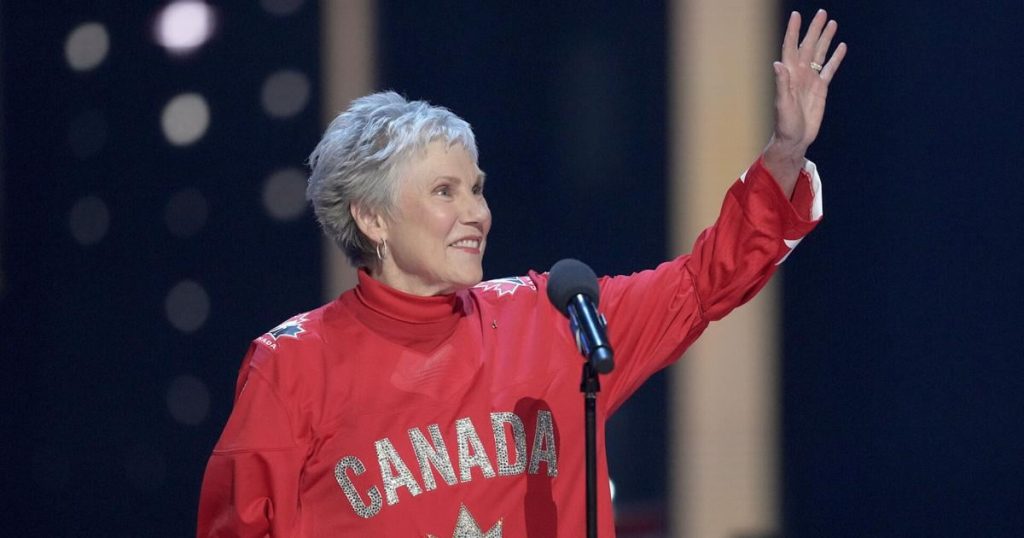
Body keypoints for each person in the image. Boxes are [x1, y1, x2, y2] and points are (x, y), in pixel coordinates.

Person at [197, 10, 846, 537]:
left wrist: (786, 151)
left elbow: (706, 281)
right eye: (445, 192)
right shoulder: (292, 366)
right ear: (372, 217)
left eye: (476, 188)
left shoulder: (556, 319)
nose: (476, 212)